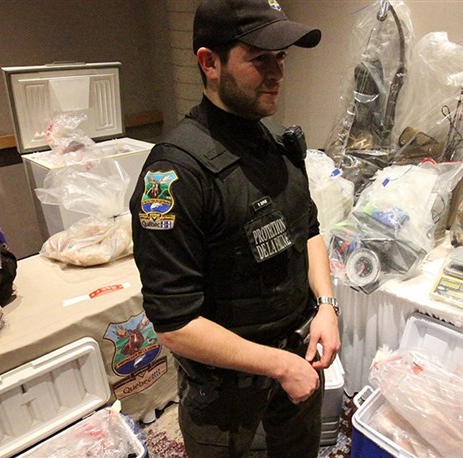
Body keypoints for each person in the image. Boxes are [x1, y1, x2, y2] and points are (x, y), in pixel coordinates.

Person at [129, 1, 341, 456]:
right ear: (210, 63)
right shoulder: (176, 173)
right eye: (260, 58)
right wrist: (279, 365)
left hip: (298, 355)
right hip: (224, 391)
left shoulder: (278, 144)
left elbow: (308, 230)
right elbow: (174, 323)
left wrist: (326, 306)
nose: (277, 73)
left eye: (281, 57)